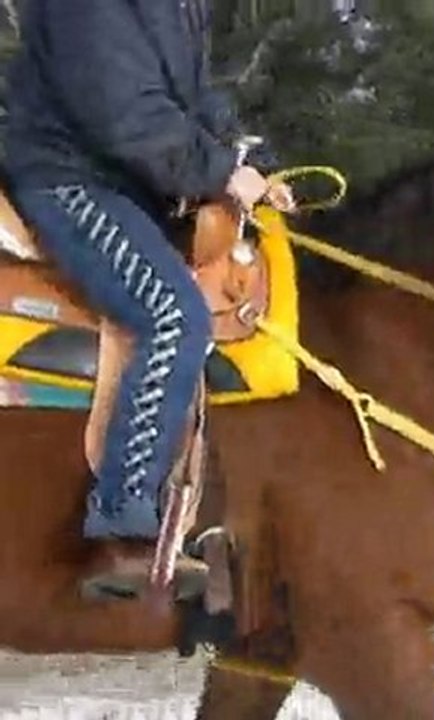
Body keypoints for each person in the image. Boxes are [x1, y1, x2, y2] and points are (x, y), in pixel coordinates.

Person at [3, 0, 294, 601]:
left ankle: (215, 511)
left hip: (131, 179)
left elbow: (188, 96)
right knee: (171, 314)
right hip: (69, 177)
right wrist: (215, 170)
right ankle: (122, 524)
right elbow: (123, 114)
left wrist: (245, 156)